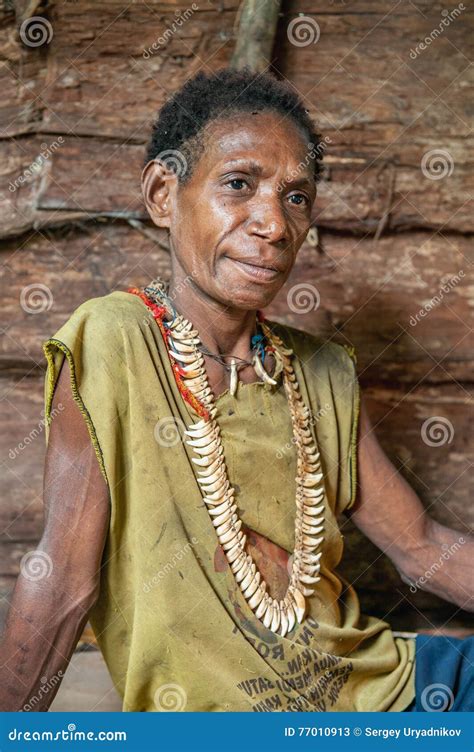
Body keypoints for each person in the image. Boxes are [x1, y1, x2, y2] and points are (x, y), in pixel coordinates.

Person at [0, 67, 472, 713]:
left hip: (396, 689)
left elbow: (422, 547)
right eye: (239, 184)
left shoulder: (324, 372)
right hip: (232, 721)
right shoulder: (114, 341)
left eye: (296, 197)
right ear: (164, 194)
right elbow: (63, 583)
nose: (274, 225)